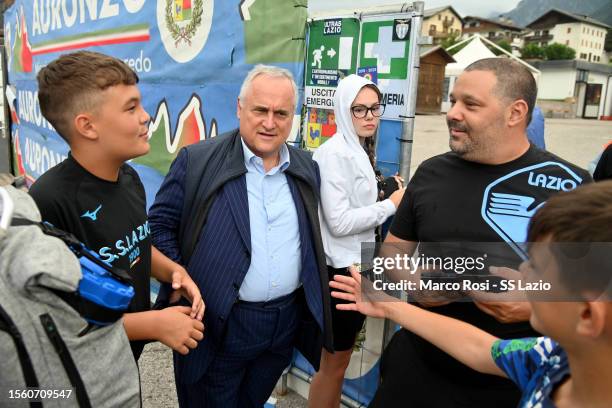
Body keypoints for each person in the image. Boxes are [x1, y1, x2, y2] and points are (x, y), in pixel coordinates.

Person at [365, 58, 592, 408]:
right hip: (418, 368)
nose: (452, 113)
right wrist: (414, 283)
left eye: (470, 104)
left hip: (508, 382)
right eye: (453, 100)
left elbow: (597, 293)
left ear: (515, 112)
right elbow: (389, 255)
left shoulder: (571, 186)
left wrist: (532, 303)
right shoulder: (430, 173)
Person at [331, 180, 612, 408]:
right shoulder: (551, 357)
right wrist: (389, 306)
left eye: (537, 267)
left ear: (587, 314)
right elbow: (480, 348)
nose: (523, 271)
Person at [148, 64, 333, 408]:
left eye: (281, 113)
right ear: (239, 108)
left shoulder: (307, 167)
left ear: (293, 116)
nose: (270, 122)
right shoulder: (198, 161)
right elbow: (159, 227)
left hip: (282, 327)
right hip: (218, 326)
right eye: (260, 110)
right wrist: (183, 283)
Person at [28, 51, 205, 362]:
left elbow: (134, 246)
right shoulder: (47, 202)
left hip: (123, 363)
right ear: (88, 126)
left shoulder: (129, 177)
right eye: (130, 107)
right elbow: (53, 320)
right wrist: (150, 324)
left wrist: (175, 271)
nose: (145, 116)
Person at [308, 74, 405, 407]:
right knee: (332, 366)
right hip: (340, 272)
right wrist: (389, 205)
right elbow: (339, 222)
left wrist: (385, 189)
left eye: (374, 108)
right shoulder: (335, 154)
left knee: (339, 362)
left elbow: (354, 203)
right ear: (342, 111)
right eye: (359, 109)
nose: (369, 117)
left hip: (357, 266)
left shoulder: (357, 149)